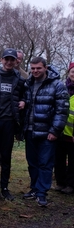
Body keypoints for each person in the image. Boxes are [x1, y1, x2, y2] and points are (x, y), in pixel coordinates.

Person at [23, 57, 69, 207]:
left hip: (47, 132)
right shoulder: (28, 84)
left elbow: (62, 110)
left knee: (45, 163)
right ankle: (35, 188)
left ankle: (42, 193)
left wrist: (55, 130)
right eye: (33, 68)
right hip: (30, 130)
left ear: (45, 68)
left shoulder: (57, 85)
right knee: (32, 163)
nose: (35, 71)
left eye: (38, 68)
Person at [0, 48, 26, 200]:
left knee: (6, 157)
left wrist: (24, 101)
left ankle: (5, 187)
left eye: (12, 60)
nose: (9, 62)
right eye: (6, 59)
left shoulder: (20, 79)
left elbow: (25, 96)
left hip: (9, 122)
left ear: (16, 61)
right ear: (1, 60)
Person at [54, 62, 74, 194]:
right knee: (59, 159)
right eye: (73, 72)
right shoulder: (62, 88)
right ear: (68, 73)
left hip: (72, 134)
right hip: (60, 132)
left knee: (73, 161)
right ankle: (60, 183)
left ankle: (71, 185)